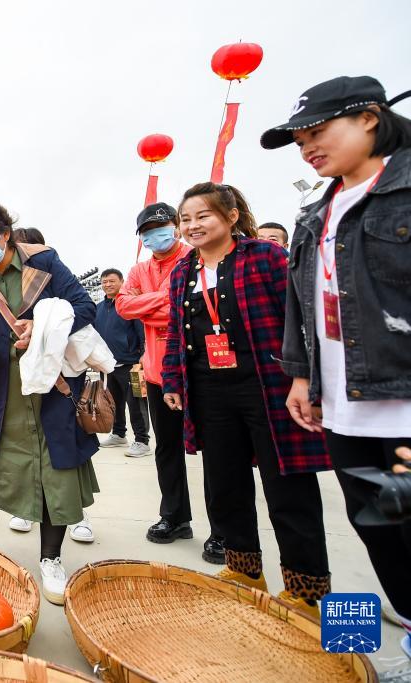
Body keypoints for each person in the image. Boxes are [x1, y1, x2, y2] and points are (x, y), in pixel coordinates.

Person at [263, 75, 411, 646]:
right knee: (377, 529)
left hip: (402, 396)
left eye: (317, 133)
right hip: (345, 408)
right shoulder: (313, 216)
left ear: (370, 118)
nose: (308, 149)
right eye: (300, 142)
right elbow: (304, 306)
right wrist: (301, 375)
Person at [162, 183, 331, 618]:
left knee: (288, 487)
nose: (193, 225)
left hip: (268, 385)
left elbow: (301, 319)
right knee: (225, 484)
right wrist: (173, 381)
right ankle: (244, 569)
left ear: (232, 216)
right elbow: (175, 336)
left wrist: (303, 378)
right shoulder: (183, 271)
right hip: (209, 390)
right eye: (186, 219)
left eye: (203, 216)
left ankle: (306, 589)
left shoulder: (264, 257)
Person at [0, 201, 100, 605]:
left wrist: (41, 327)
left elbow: (85, 308)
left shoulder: (46, 265)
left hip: (52, 389)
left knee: (54, 471)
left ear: (5, 234)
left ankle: (51, 559)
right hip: (3, 390)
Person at [116, 204, 224, 563]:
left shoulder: (197, 259)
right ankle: (175, 516)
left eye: (161, 228)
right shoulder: (139, 269)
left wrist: (151, 305)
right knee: (167, 450)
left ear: (176, 227)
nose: (154, 236)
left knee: (216, 452)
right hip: (158, 374)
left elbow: (191, 304)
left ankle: (223, 530)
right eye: (147, 232)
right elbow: (124, 306)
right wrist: (167, 300)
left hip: (200, 370)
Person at [95, 268, 150, 457]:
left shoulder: (129, 305)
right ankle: (119, 434)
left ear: (121, 281)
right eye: (104, 282)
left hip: (130, 363)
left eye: (111, 281)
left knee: (136, 403)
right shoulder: (99, 309)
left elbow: (141, 332)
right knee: (114, 402)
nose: (107, 285)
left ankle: (142, 440)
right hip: (108, 365)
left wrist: (143, 356)